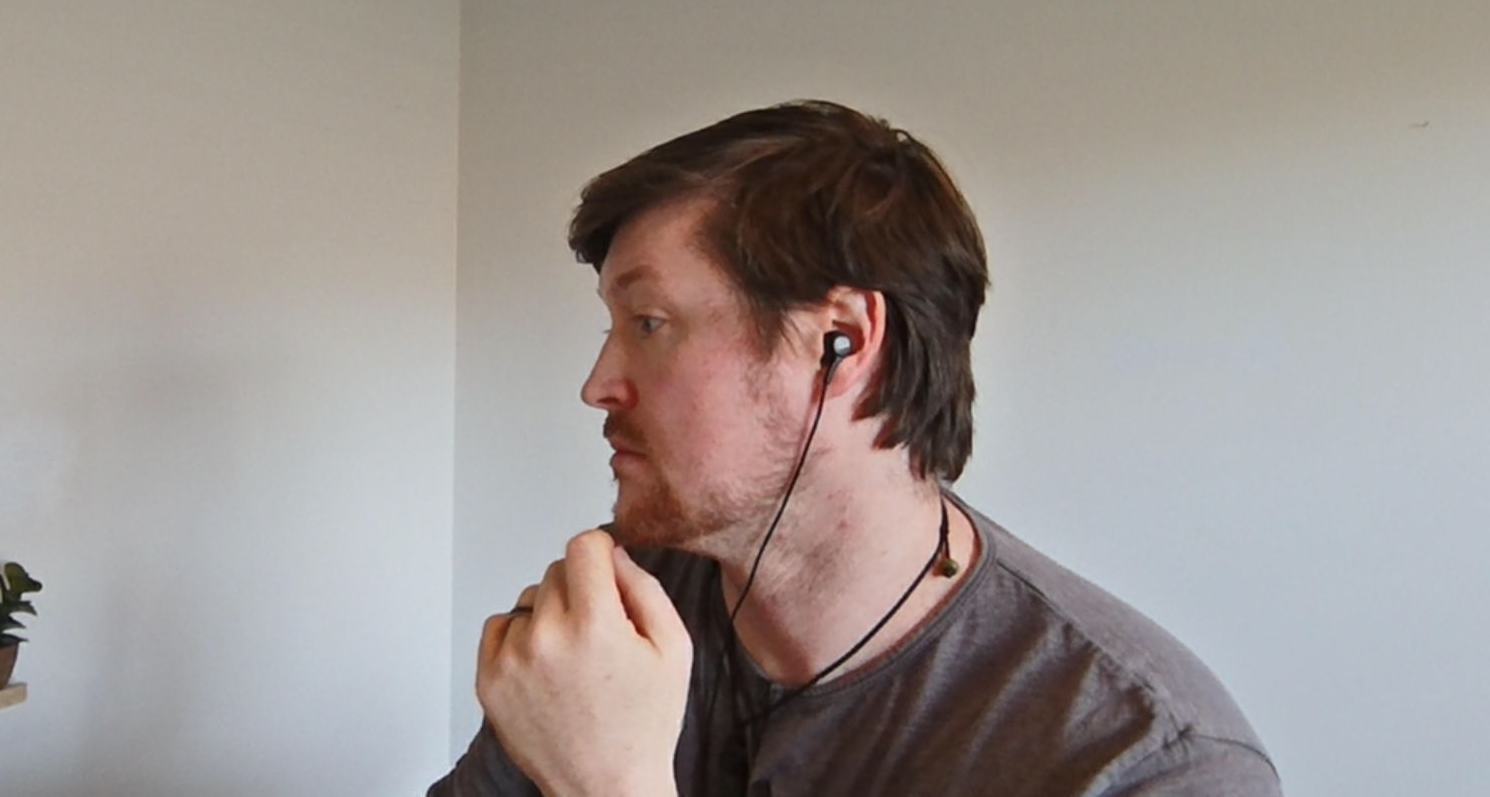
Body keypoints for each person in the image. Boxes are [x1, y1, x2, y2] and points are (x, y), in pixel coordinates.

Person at [429, 101, 1279, 797]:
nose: (599, 384)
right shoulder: (626, 613)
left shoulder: (1141, 762)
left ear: (839, 341)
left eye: (650, 324)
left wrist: (610, 788)